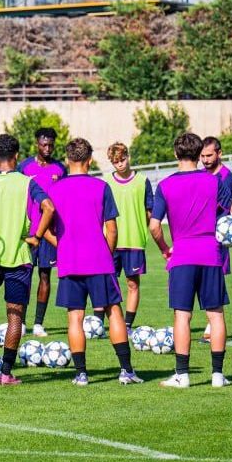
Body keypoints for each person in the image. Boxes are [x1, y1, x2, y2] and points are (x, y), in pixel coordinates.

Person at [149, 133, 232, 388]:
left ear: (176, 153)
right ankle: (218, 375)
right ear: (199, 153)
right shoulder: (213, 182)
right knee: (216, 315)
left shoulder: (165, 185)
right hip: (211, 255)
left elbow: (154, 227)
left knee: (182, 316)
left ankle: (182, 375)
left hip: (182, 257)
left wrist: (165, 248)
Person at [48, 138, 143, 386]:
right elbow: (111, 229)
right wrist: (106, 254)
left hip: (70, 262)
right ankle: (126, 371)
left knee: (75, 318)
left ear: (68, 160)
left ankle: (81, 374)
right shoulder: (101, 187)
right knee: (114, 313)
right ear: (89, 160)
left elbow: (43, 229)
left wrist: (63, 247)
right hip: (99, 260)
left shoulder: (55, 189)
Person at [0, 133, 54, 385]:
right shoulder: (26, 182)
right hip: (19, 254)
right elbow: (49, 207)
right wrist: (37, 235)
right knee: (15, 315)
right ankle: (7, 373)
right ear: (17, 156)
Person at [17, 127, 66, 337]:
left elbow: (64, 198)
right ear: (37, 143)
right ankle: (21, 321)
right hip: (29, 231)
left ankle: (38, 323)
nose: (47, 148)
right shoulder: (24, 167)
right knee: (24, 276)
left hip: (50, 232)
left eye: (51, 145)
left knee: (44, 276)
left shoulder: (60, 168)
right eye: (43, 144)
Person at [103, 142, 152, 331]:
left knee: (132, 283)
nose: (120, 165)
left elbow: (150, 211)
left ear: (128, 157)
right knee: (106, 281)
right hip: (110, 241)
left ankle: (128, 324)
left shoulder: (142, 180)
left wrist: (141, 227)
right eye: (116, 162)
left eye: (122, 160)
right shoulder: (105, 181)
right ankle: (100, 321)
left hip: (134, 242)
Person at [200, 136, 232, 343]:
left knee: (214, 277)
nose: (205, 160)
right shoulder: (202, 175)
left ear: (219, 153)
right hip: (202, 234)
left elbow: (218, 205)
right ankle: (210, 324)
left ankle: (212, 325)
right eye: (202, 156)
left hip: (216, 235)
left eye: (209, 155)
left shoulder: (226, 177)